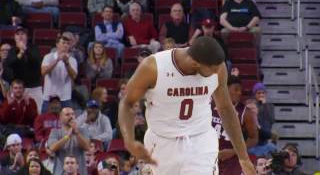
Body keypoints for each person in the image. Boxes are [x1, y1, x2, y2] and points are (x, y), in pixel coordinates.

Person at [118, 36, 256, 174]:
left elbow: (226, 109)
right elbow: (127, 102)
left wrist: (243, 158)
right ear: (196, 63)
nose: (216, 72)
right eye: (212, 70)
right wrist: (129, 140)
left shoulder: (218, 67)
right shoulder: (153, 67)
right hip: (162, 141)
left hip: (200, 140)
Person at [212, 75, 258, 175]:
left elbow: (253, 139)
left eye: (240, 90)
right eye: (236, 89)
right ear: (225, 88)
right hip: (208, 156)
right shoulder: (210, 103)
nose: (239, 93)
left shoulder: (246, 113)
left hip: (231, 160)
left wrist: (233, 151)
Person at [2, 26, 42, 113]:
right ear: (14, 37)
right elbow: (10, 64)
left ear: (27, 36)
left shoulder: (34, 48)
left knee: (37, 112)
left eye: (23, 34)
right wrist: (21, 52)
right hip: (18, 88)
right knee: (15, 113)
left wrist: (25, 49)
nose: (20, 36)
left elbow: (36, 61)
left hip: (34, 87)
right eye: (17, 34)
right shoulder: (12, 50)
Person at [47, 107, 90, 175]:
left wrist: (77, 133)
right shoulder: (55, 132)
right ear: (60, 118)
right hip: (60, 172)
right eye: (67, 114)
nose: (71, 116)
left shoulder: (83, 131)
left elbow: (87, 147)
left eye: (73, 114)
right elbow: (52, 147)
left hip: (80, 172)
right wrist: (67, 137)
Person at [41, 36, 78, 113]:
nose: (65, 45)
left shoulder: (72, 60)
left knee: (67, 123)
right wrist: (57, 60)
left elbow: (74, 76)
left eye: (68, 43)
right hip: (49, 98)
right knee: (46, 122)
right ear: (57, 44)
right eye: (63, 43)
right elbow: (43, 72)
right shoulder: (48, 57)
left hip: (65, 98)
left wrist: (67, 63)